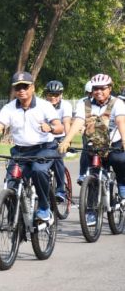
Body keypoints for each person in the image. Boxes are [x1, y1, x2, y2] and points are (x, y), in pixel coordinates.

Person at [0, 71, 63, 223]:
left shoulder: (45, 106)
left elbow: (60, 128)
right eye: (18, 88)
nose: (21, 90)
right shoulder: (9, 108)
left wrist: (49, 127)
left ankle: (44, 207)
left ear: (33, 88)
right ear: (14, 90)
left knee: (39, 171)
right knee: (11, 183)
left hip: (44, 148)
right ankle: (14, 220)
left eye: (25, 86)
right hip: (20, 152)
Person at [58, 74, 125, 223]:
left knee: (119, 160)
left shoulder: (118, 103)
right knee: (93, 175)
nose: (98, 91)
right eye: (95, 88)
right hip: (94, 144)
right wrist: (67, 140)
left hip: (114, 143)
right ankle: (91, 211)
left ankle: (122, 186)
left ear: (109, 88)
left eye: (102, 88)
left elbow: (121, 121)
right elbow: (78, 121)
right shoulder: (85, 104)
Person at [43, 80, 72, 202]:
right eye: (50, 95)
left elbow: (66, 123)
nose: (53, 98)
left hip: (60, 137)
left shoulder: (66, 106)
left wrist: (67, 140)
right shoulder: (41, 105)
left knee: (57, 157)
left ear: (61, 95)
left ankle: (60, 189)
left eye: (56, 95)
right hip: (45, 137)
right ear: (46, 95)